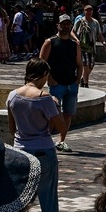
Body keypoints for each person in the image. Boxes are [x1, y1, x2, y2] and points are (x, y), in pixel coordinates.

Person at [7, 58, 68, 212]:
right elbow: (61, 128)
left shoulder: (13, 96)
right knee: (47, 197)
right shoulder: (45, 98)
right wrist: (56, 108)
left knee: (18, 199)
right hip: (43, 151)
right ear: (43, 75)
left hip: (20, 151)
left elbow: (11, 128)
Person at [39, 14, 82, 153]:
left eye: (68, 24)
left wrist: (77, 80)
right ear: (58, 25)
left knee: (68, 113)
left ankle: (61, 140)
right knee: (53, 114)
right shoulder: (50, 42)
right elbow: (42, 62)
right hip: (57, 84)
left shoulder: (74, 44)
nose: (66, 26)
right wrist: (50, 79)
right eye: (63, 24)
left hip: (71, 84)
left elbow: (79, 64)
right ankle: (45, 140)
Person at [74, 5, 106, 89]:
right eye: (87, 11)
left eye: (90, 11)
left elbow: (99, 34)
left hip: (92, 48)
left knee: (90, 66)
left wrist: (103, 42)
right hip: (82, 47)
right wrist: (76, 40)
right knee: (85, 64)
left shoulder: (95, 22)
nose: (89, 12)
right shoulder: (80, 21)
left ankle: (83, 79)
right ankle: (86, 84)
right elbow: (72, 31)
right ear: (84, 12)